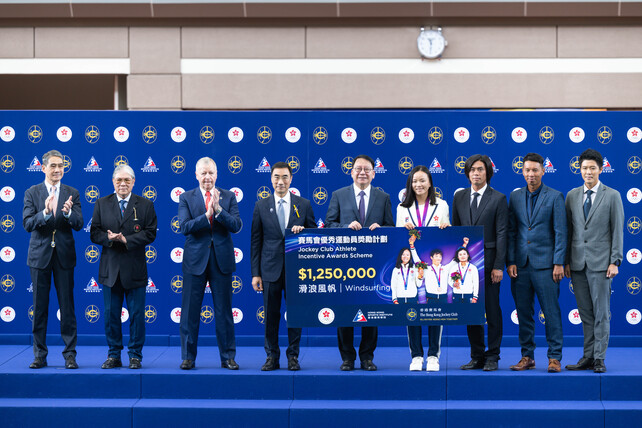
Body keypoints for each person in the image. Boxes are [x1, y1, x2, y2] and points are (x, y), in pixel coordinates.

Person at [325, 154, 394, 371]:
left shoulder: (383, 198)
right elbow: (329, 224)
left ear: (374, 173)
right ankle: (347, 357)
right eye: (358, 169)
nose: (362, 172)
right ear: (351, 172)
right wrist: (345, 227)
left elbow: (391, 228)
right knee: (345, 310)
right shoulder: (338, 195)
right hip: (345, 264)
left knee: (371, 310)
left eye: (367, 169)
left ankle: (367, 357)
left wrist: (382, 230)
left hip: (374, 264)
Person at [251, 161, 316, 371]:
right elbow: (256, 241)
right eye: (277, 177)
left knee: (295, 313)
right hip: (269, 269)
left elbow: (315, 236)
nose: (281, 181)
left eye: (285, 177)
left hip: (297, 269)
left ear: (291, 179)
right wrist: (255, 274)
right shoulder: (261, 205)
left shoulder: (303, 204)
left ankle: (293, 356)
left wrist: (303, 230)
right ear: (271, 179)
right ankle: (271, 356)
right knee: (270, 315)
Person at [90, 165, 157, 369]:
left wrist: (127, 239)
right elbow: (94, 233)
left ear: (134, 182)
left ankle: (135, 355)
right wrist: (109, 239)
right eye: (119, 180)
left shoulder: (145, 204)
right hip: (110, 270)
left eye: (127, 180)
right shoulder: (101, 203)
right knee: (111, 314)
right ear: (113, 182)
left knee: (137, 315)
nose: (123, 184)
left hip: (135, 269)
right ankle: (114, 355)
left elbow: (150, 233)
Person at [178, 157, 242, 370]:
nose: (207, 177)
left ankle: (228, 357)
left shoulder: (229, 196)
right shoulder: (186, 197)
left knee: (224, 312)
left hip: (221, 261)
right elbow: (185, 226)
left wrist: (219, 211)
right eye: (203, 173)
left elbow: (236, 225)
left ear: (217, 174)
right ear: (196, 175)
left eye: (211, 173)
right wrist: (207, 215)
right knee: (189, 312)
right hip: (195, 261)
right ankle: (188, 357)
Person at [564, 149, 624, 373]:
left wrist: (615, 261)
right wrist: (567, 261)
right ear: (579, 170)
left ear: (600, 169)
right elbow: (569, 231)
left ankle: (599, 357)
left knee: (601, 313)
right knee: (586, 313)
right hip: (578, 264)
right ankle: (587, 356)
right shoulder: (571, 195)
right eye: (584, 168)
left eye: (592, 168)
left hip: (601, 264)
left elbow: (617, 230)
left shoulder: (613, 195)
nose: (588, 172)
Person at [507, 152, 567, 373]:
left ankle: (554, 357)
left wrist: (559, 262)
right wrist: (511, 261)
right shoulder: (514, 197)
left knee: (551, 313)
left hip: (547, 266)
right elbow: (512, 232)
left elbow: (561, 232)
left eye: (535, 170)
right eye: (527, 170)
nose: (531, 174)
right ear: (522, 172)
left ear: (543, 171)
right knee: (523, 312)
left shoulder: (555, 196)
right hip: (521, 266)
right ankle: (527, 356)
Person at [23, 149, 82, 369]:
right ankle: (40, 354)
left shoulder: (72, 192)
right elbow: (28, 223)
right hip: (40, 257)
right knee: (39, 308)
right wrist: (45, 212)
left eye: (61, 166)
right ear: (43, 168)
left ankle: (70, 355)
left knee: (68, 307)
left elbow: (78, 223)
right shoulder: (32, 192)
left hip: (64, 257)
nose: (58, 170)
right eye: (53, 166)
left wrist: (67, 213)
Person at [452, 154, 508, 371]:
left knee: (492, 310)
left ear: (488, 172)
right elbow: (456, 233)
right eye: (472, 169)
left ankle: (493, 356)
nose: (476, 173)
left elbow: (502, 234)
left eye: (480, 169)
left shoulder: (499, 198)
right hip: (466, 265)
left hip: (490, 262)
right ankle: (476, 355)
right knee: (472, 309)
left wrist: (498, 266)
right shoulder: (459, 197)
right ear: (467, 173)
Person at [396, 165, 450, 372]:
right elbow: (398, 239)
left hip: (433, 266)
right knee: (412, 311)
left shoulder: (442, 205)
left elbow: (447, 236)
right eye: (414, 181)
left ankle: (434, 355)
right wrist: (403, 231)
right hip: (411, 268)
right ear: (410, 184)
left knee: (435, 311)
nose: (418, 185)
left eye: (422, 180)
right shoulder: (402, 208)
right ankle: (416, 355)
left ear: (429, 183)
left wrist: (446, 228)